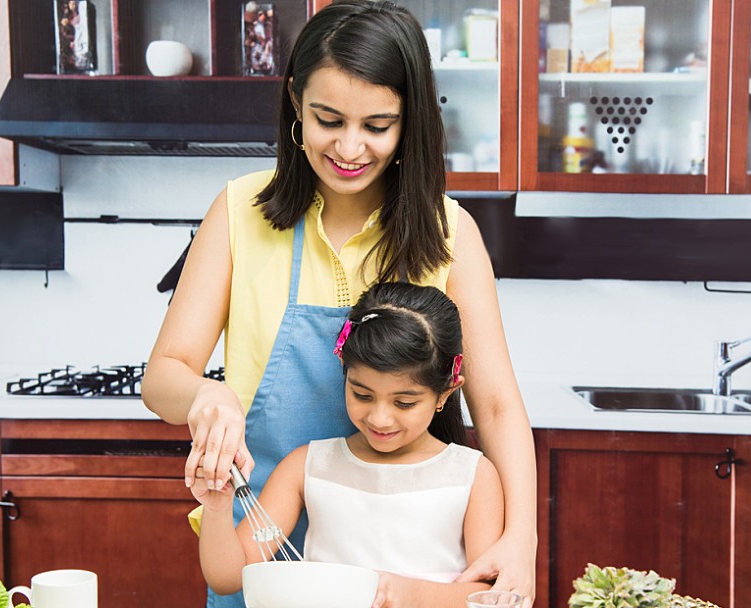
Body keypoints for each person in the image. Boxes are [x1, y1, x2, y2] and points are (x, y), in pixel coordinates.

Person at [142, 1, 536, 606]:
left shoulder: (450, 233)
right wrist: (205, 393)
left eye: (377, 126)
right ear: (296, 103)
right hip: (261, 553)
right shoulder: (239, 213)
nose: (350, 147)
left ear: (410, 125)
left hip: (400, 579)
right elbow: (162, 375)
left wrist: (521, 540)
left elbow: (499, 406)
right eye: (329, 119)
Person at [190, 282, 505, 608]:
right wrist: (216, 508)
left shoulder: (472, 476)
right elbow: (228, 577)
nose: (380, 418)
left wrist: (406, 594)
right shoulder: (307, 466)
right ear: (345, 372)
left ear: (445, 393)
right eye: (362, 395)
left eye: (404, 403)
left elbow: (487, 596)